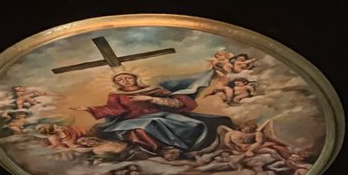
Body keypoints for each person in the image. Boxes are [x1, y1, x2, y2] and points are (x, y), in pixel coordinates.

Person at [73, 70, 233, 154]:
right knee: (150, 123)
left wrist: (151, 99)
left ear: (135, 78)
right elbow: (114, 109)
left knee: (194, 124)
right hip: (134, 119)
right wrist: (89, 108)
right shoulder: (117, 96)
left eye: (127, 78)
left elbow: (175, 103)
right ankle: (170, 147)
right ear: (116, 84)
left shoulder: (155, 90)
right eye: (119, 80)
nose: (124, 81)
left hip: (162, 113)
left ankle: (195, 144)